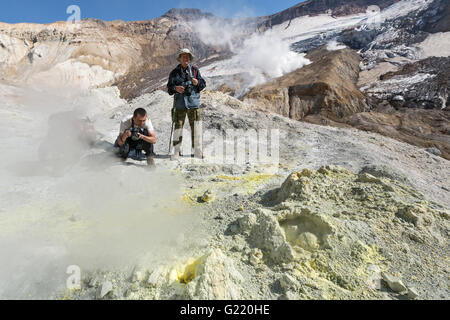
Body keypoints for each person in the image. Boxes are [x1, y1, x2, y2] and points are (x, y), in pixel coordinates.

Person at [167, 48, 206, 160]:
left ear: (190, 58)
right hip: (179, 104)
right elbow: (169, 89)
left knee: (196, 128)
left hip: (193, 103)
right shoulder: (174, 73)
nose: (186, 58)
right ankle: (177, 151)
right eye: (183, 56)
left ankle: (197, 150)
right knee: (178, 128)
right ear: (180, 58)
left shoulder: (194, 70)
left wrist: (197, 82)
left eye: (187, 56)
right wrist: (175, 88)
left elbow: (203, 84)